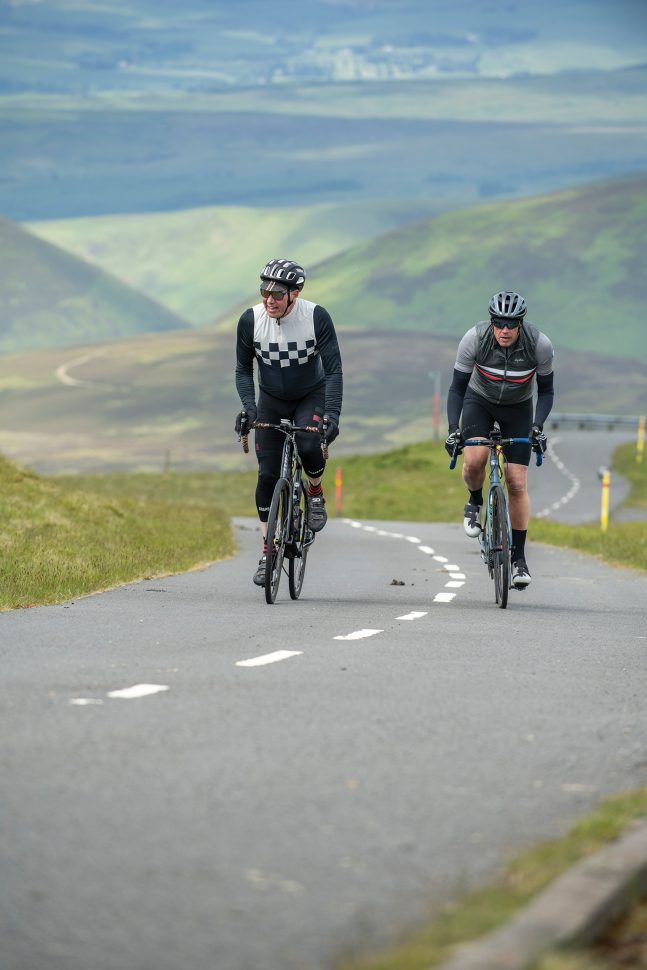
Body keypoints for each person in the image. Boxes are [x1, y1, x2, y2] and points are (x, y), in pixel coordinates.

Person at [234, 258, 343, 586]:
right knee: (267, 474)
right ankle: (268, 552)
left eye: (277, 294)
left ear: (294, 294)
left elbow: (334, 370)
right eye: (264, 292)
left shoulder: (316, 317)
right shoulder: (251, 320)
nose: (269, 300)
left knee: (309, 444)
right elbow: (243, 369)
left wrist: (332, 416)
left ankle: (315, 491)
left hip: (310, 394)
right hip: (271, 399)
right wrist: (249, 408)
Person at [444, 290, 554, 589]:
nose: (505, 330)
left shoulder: (539, 344)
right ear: (491, 322)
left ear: (521, 324)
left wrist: (537, 426)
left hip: (518, 408)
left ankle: (519, 559)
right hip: (479, 401)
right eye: (499, 323)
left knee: (516, 482)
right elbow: (456, 388)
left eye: (511, 324)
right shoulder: (474, 338)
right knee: (475, 459)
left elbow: (546, 391)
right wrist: (454, 428)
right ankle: (475, 501)